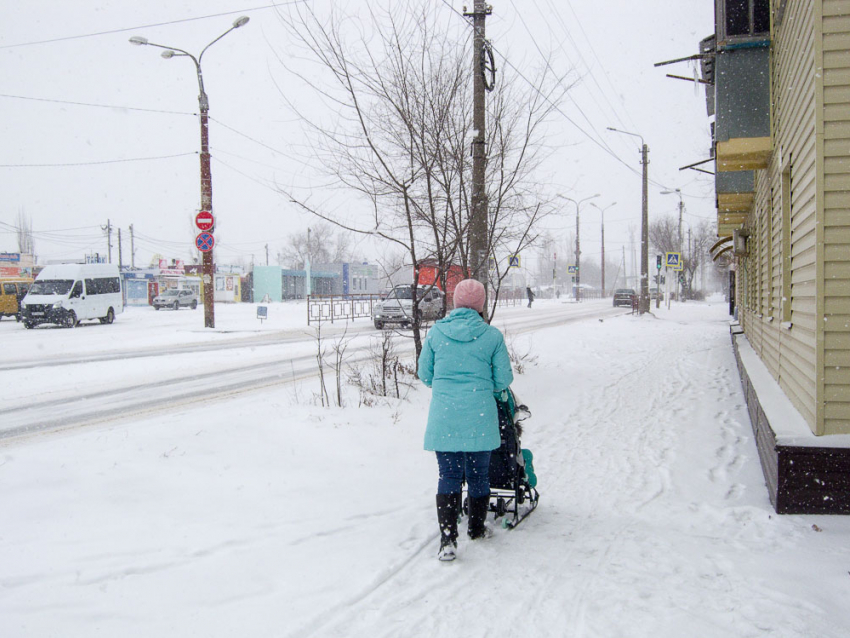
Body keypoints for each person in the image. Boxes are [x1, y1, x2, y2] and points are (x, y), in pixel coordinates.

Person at [418, 278, 514, 561]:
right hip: (479, 417)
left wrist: (448, 386)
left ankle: (448, 539)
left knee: (448, 476)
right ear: (481, 305)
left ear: (455, 302)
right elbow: (503, 380)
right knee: (478, 475)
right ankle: (476, 528)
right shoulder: (491, 336)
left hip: (445, 417)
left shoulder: (436, 333)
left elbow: (425, 374)